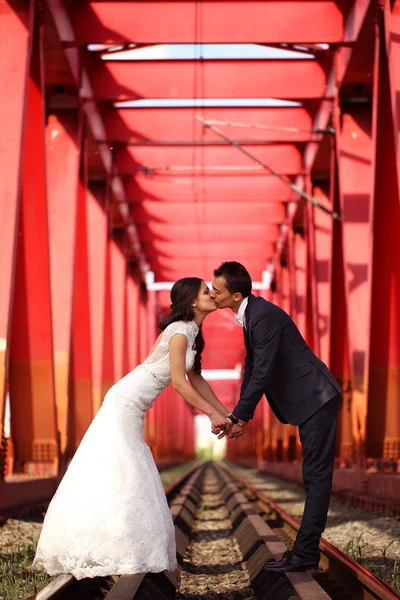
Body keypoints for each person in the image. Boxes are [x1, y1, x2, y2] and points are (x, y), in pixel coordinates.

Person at [33, 277, 229, 579]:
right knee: (126, 467)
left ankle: (120, 544)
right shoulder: (178, 333)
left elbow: (197, 378)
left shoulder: (192, 332)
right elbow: (179, 383)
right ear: (192, 301)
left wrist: (224, 412)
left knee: (125, 468)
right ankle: (113, 546)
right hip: (124, 402)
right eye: (206, 291)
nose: (213, 295)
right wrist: (212, 414)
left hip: (133, 404)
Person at [210, 261, 342, 573]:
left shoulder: (263, 316)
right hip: (309, 399)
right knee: (314, 476)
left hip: (316, 397)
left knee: (317, 477)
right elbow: (253, 367)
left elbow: (264, 369)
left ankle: (306, 553)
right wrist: (241, 417)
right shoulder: (251, 315)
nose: (212, 295)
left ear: (236, 295)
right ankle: (304, 552)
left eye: (217, 291)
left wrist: (240, 414)